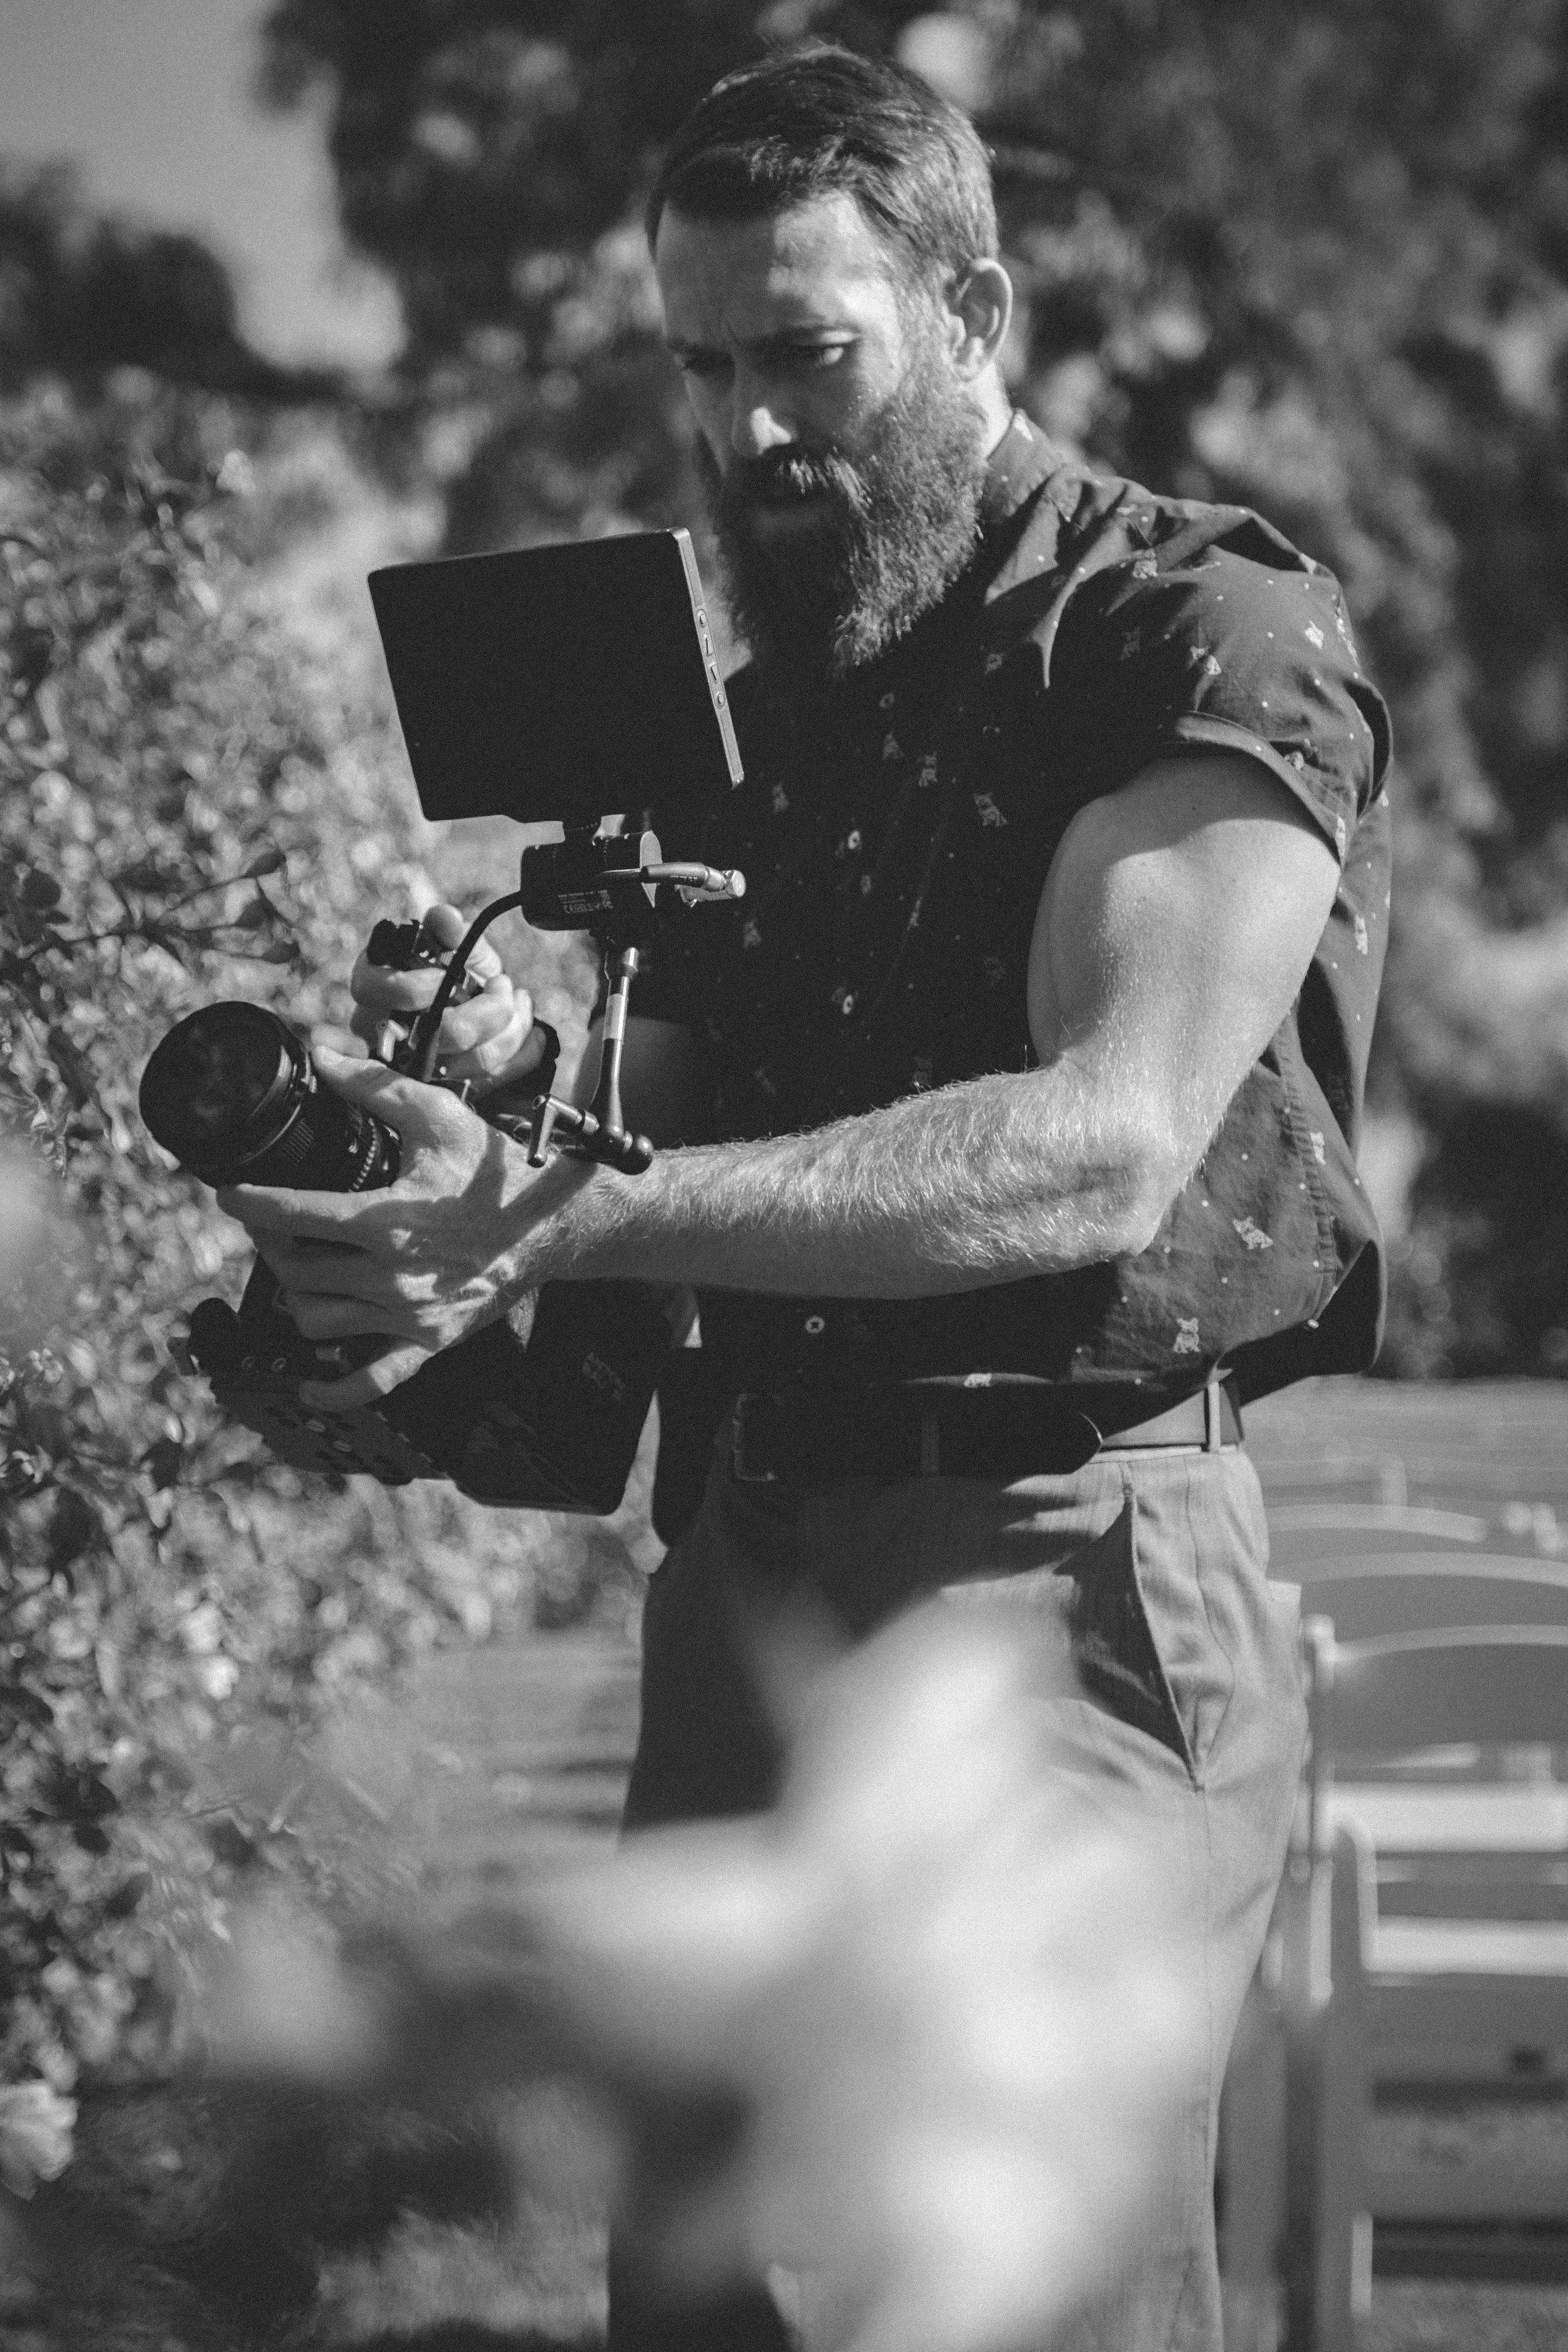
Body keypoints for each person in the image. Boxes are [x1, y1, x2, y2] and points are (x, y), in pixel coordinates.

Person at [220, 45, 1392, 2351]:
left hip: (1055, 1567)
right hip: (744, 1550)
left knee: (1003, 2292)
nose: (749, 432)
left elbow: (1100, 1132)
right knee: (709, 2292)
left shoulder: (1199, 634)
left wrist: (556, 1211)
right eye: (701, 369)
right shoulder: (783, 691)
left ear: (975, 311)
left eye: (807, 358)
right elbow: (714, 1111)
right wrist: (516, 1090)